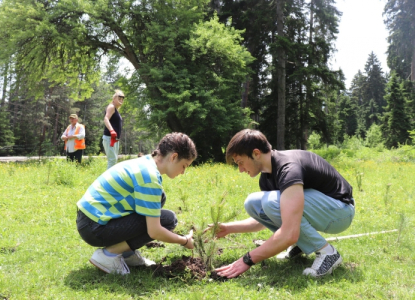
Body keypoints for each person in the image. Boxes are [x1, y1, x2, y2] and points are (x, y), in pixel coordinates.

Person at [214, 129, 355, 278]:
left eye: (240, 163)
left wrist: (247, 260)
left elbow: (289, 233)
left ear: (256, 153)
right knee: (253, 203)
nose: (240, 170)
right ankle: (301, 245)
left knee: (271, 201)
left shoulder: (288, 168)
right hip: (325, 210)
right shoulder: (266, 177)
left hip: (341, 211)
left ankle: (328, 253)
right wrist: (229, 228)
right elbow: (267, 217)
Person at [76, 132, 197, 275]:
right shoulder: (149, 177)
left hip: (89, 220)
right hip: (94, 227)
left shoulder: (146, 162)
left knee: (159, 198)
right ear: (174, 157)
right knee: (167, 220)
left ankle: (127, 254)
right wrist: (183, 241)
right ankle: (108, 255)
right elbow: (155, 231)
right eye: (184, 166)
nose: (183, 172)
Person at [103, 89, 124, 169]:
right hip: (109, 137)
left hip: (115, 139)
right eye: (119, 98)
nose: (121, 100)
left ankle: (112, 179)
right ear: (114, 98)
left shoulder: (116, 110)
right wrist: (111, 130)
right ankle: (108, 180)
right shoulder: (111, 106)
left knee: (114, 160)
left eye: (122, 99)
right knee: (112, 160)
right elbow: (106, 119)